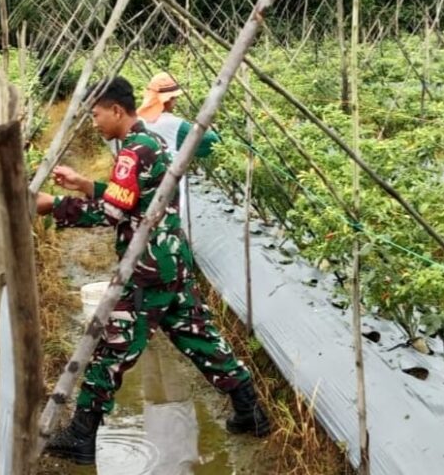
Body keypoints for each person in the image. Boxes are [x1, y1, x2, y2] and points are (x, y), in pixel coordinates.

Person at [34, 77, 270, 467]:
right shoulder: (149, 142)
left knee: (111, 350)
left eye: (95, 115)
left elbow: (114, 213)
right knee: (199, 337)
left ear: (115, 110)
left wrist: (55, 205)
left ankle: (81, 435)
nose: (94, 123)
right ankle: (250, 411)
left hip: (146, 269)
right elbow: (129, 199)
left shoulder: (131, 152)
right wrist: (84, 184)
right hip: (171, 259)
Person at [137, 71, 218, 220]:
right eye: (175, 98)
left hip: (141, 183)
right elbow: (210, 142)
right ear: (170, 99)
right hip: (168, 186)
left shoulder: (138, 120)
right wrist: (209, 128)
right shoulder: (175, 124)